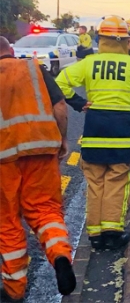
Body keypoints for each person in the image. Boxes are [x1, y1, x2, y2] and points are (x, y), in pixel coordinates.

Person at [55, 15, 130, 250]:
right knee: (117, 179)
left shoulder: (89, 63)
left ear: (101, 38)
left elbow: (59, 83)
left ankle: (95, 234)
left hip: (94, 127)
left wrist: (79, 102)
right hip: (121, 129)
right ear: (124, 40)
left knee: (95, 180)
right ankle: (112, 231)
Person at [0, 36, 76, 302]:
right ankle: (61, 256)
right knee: (45, 211)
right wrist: (63, 139)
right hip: (42, 151)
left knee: (8, 223)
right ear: (11, 51)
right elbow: (60, 106)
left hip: (3, 159)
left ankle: (14, 289)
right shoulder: (34, 68)